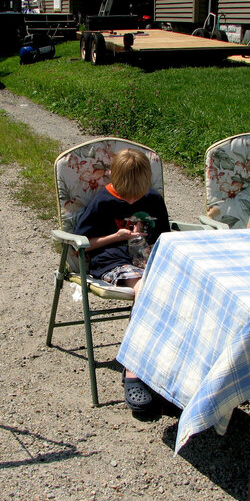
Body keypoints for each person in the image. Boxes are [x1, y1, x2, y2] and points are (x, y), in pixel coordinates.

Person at [74, 148, 169, 412]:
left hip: (147, 259)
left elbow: (164, 236)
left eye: (139, 194)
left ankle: (174, 365)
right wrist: (117, 237)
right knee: (144, 289)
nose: (135, 200)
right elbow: (83, 245)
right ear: (115, 181)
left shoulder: (152, 198)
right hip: (112, 260)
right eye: (129, 195)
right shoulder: (102, 202)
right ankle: (133, 369)